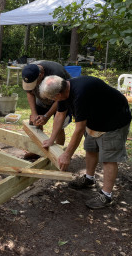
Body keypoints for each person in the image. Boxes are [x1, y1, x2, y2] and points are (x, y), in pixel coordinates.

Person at [39, 75, 131, 209]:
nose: (52, 101)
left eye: (52, 98)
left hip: (114, 119)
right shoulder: (64, 90)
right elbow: (59, 115)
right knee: (91, 148)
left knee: (108, 158)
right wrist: (51, 139)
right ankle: (89, 179)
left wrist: (67, 155)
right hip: (95, 119)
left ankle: (106, 195)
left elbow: (79, 129)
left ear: (58, 94)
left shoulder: (80, 94)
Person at [22, 61, 71, 159]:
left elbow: (61, 97)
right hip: (42, 99)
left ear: (41, 75)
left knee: (58, 126)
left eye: (35, 83)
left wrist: (47, 116)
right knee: (34, 123)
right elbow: (30, 93)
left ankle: (58, 155)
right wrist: (34, 113)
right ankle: (37, 150)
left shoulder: (57, 73)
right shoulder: (28, 72)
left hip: (61, 100)